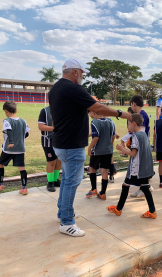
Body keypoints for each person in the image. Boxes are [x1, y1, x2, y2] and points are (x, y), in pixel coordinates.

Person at [49, 59, 131, 237]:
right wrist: (120, 113)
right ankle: (67, 222)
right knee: (71, 181)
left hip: (62, 142)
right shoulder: (72, 88)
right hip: (71, 145)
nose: (83, 76)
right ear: (75, 72)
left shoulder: (56, 88)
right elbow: (96, 107)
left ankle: (63, 213)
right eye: (82, 73)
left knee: (66, 180)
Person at [107, 113, 156, 219]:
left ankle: (118, 209)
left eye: (128, 124)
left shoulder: (135, 136)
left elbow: (133, 153)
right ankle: (152, 211)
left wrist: (122, 149)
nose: (128, 127)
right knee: (145, 187)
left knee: (125, 185)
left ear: (134, 123)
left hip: (136, 169)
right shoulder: (143, 134)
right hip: (143, 168)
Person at [0, 101, 30, 195]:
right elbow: (26, 134)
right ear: (16, 111)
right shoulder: (23, 121)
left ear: (6, 111)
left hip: (9, 149)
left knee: (1, 164)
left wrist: (11, 142)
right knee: (22, 167)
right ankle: (24, 188)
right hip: (20, 148)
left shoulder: (7, 121)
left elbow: (9, 130)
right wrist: (19, 141)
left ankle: (0, 184)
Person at [86, 111, 115, 200]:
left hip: (97, 151)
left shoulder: (94, 122)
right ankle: (103, 193)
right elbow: (113, 136)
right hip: (107, 150)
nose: (89, 115)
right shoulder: (110, 121)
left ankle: (94, 189)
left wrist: (89, 148)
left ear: (94, 113)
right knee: (104, 170)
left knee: (91, 168)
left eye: (89, 113)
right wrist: (110, 146)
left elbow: (96, 137)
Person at [129, 95, 155, 197]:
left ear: (134, 104)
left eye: (131, 104)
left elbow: (141, 132)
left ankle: (146, 187)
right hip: (141, 144)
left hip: (142, 145)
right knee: (139, 167)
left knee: (142, 167)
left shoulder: (142, 115)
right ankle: (143, 187)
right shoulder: (140, 114)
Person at [38, 105, 62, 192]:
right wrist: (54, 128)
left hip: (60, 139)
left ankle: (56, 180)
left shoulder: (62, 109)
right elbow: (41, 126)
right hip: (48, 140)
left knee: (59, 160)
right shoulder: (45, 111)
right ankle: (50, 182)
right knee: (51, 161)